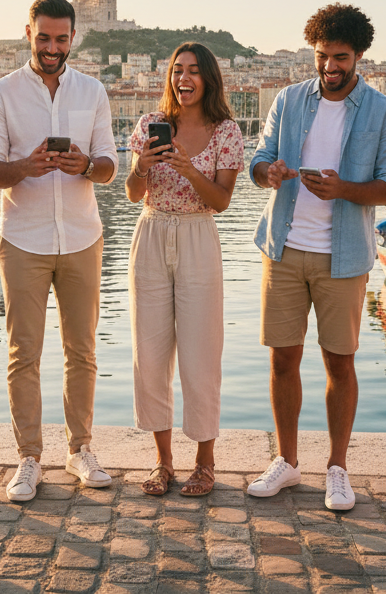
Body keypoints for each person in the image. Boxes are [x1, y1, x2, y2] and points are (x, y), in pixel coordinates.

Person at [247, 3, 386, 511]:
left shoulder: (382, 112)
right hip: (284, 247)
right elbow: (259, 158)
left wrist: (344, 190)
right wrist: (267, 173)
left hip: (345, 255)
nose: (329, 67)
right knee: (282, 358)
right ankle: (287, 463)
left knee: (341, 361)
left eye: (340, 57)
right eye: (321, 57)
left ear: (359, 55)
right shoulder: (290, 99)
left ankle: (338, 468)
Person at [0, 0, 119, 502]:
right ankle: (29, 457)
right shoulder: (2, 93)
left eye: (61, 39)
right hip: (24, 238)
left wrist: (83, 164)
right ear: (28, 33)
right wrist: (25, 168)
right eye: (44, 38)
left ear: (73, 37)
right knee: (23, 352)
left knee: (82, 350)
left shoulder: (94, 91)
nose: (52, 47)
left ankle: (80, 449)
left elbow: (109, 166)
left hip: (83, 235)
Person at [125, 42, 245, 498]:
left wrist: (189, 169)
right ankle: (163, 462)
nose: (184, 78)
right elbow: (134, 193)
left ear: (208, 78)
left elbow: (221, 201)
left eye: (194, 71)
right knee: (151, 356)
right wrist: (142, 165)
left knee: (201, 355)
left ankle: (205, 462)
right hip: (152, 232)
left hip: (198, 236)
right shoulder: (150, 126)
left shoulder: (226, 131)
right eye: (178, 70)